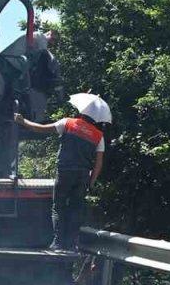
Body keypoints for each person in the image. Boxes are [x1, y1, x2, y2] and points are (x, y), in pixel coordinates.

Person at [14, 98, 109, 253]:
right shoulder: (99, 136)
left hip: (65, 171)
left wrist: (23, 121)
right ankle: (71, 245)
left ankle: (58, 244)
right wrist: (91, 182)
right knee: (75, 208)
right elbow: (98, 163)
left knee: (58, 207)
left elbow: (41, 129)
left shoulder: (68, 123)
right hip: (83, 175)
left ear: (82, 111)